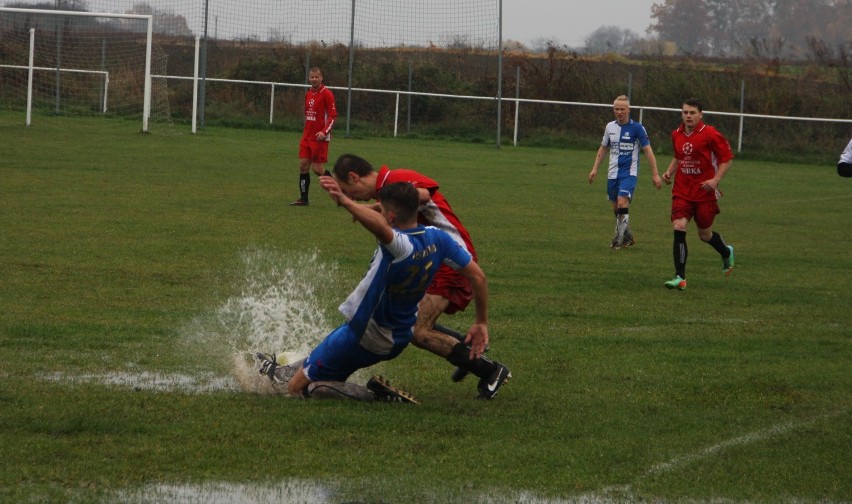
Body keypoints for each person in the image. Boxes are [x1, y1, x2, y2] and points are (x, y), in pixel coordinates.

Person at [257, 179, 490, 403]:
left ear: (390, 216)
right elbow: (478, 276)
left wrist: (346, 201)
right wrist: (481, 322)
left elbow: (381, 228)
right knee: (323, 369)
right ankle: (304, 371)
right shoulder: (438, 238)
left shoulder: (400, 246)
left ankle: (375, 395)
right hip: (398, 334)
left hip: (364, 334)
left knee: (297, 389)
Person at [330, 153, 511, 399]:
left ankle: (490, 370)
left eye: (346, 190)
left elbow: (424, 195)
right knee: (404, 316)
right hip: (433, 257)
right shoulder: (388, 189)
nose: (350, 197)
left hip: (449, 259)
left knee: (417, 330)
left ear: (354, 177)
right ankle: (467, 350)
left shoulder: (394, 179)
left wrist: (374, 205)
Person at [661, 98, 735, 290]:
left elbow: (726, 159)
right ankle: (680, 277)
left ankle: (726, 252)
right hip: (682, 190)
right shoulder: (676, 134)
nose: (688, 116)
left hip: (704, 192)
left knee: (704, 234)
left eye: (692, 113)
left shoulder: (710, 134)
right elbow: (679, 156)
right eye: (685, 112)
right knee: (679, 225)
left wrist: (715, 180)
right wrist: (669, 172)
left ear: (700, 115)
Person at [588, 95, 662, 248]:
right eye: (616, 109)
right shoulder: (610, 127)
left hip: (629, 173)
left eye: (622, 109)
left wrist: (655, 174)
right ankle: (628, 236)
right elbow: (603, 148)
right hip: (612, 173)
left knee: (622, 202)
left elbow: (648, 150)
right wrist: (595, 168)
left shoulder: (637, 128)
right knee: (616, 207)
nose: (619, 112)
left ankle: (618, 240)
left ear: (629, 110)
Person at [290, 67, 337, 206]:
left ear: (321, 78)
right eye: (312, 77)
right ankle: (303, 199)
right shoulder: (308, 94)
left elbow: (333, 116)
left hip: (319, 137)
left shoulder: (327, 94)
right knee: (303, 165)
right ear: (309, 78)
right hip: (307, 136)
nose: (314, 79)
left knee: (317, 169)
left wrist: (324, 132)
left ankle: (340, 189)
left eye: (317, 77)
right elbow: (308, 115)